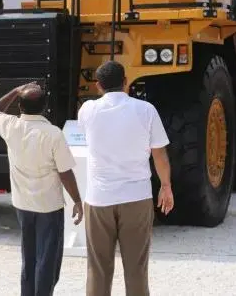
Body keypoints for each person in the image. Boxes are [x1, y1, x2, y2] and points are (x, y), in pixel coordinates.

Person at [77, 60, 174, 296]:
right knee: (136, 269)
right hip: (137, 197)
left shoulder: (87, 110)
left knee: (98, 268)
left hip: (99, 198)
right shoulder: (146, 110)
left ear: (98, 85)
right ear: (126, 82)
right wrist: (166, 186)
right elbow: (159, 154)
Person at [0, 82, 83, 296]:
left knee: (29, 257)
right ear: (45, 107)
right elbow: (65, 172)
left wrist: (15, 91)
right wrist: (77, 200)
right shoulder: (53, 134)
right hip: (49, 206)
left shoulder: (10, 126)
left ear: (20, 106)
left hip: (22, 205)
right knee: (47, 259)